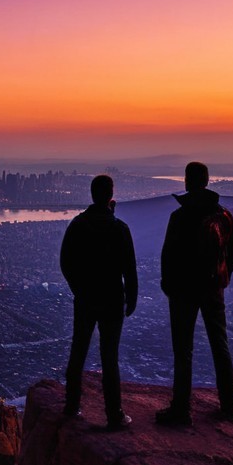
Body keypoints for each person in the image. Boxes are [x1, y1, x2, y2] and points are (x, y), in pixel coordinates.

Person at [157, 161, 233, 426]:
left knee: (183, 350)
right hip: (213, 290)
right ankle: (228, 407)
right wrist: (219, 277)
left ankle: (181, 411)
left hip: (183, 292)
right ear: (206, 181)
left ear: (187, 181)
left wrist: (168, 285)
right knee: (220, 345)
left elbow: (168, 256)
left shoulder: (180, 217)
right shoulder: (223, 215)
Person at [61, 174, 138, 430]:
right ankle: (114, 415)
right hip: (112, 298)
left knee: (78, 350)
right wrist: (132, 297)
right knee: (109, 356)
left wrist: (77, 288)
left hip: (85, 297)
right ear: (110, 195)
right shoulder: (119, 228)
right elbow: (130, 267)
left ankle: (72, 406)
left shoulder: (78, 224)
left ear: (92, 194)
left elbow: (66, 262)